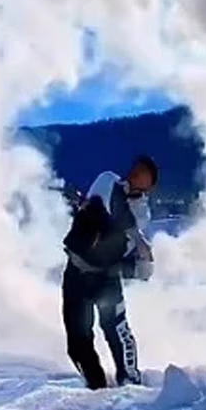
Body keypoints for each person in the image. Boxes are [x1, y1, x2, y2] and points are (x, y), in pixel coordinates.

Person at [60, 154, 158, 389]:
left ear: (149, 187)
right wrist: (138, 239)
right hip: (76, 273)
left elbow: (118, 237)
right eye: (136, 171)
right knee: (77, 340)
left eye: (143, 177)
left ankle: (130, 382)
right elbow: (105, 206)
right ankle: (97, 388)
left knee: (116, 330)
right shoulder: (108, 181)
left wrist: (138, 254)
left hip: (105, 279)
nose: (135, 177)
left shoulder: (141, 213)